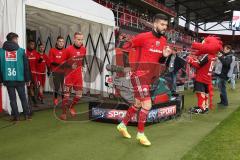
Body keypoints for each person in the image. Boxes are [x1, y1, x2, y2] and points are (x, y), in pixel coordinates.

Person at [116, 13, 173, 146]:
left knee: (138, 104)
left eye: (166, 25)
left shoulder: (164, 41)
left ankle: (122, 125)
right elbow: (124, 47)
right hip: (138, 75)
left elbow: (160, 60)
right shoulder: (143, 37)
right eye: (162, 24)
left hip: (150, 76)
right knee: (147, 105)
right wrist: (128, 66)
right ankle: (140, 134)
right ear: (155, 24)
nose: (164, 27)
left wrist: (164, 56)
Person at [0, 32, 31, 121]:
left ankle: (16, 117)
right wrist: (28, 79)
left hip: (8, 79)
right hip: (19, 79)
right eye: (16, 39)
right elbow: (26, 66)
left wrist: (1, 80)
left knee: (12, 99)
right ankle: (26, 116)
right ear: (13, 39)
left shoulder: (1, 52)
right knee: (23, 98)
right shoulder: (21, 51)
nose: (17, 41)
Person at [188, 36, 222, 114]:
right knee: (205, 93)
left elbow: (198, 65)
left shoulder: (207, 55)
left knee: (200, 92)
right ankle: (205, 106)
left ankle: (201, 108)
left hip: (201, 77)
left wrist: (191, 61)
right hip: (207, 78)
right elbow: (203, 64)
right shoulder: (213, 56)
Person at [60, 32, 86, 120]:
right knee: (66, 96)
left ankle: (71, 107)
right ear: (74, 39)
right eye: (78, 39)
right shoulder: (68, 49)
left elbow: (82, 60)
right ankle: (63, 113)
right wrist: (70, 66)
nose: (80, 41)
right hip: (69, 76)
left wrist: (82, 66)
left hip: (78, 76)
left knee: (79, 95)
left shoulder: (83, 49)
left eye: (82, 39)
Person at [49, 36, 67, 106]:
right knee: (57, 87)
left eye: (62, 41)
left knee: (63, 87)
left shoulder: (66, 51)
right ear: (57, 42)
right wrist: (60, 64)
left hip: (63, 72)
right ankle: (56, 98)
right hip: (55, 71)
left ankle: (63, 100)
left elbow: (68, 60)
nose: (61, 43)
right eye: (60, 41)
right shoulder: (52, 50)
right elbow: (51, 61)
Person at [26, 40, 38, 105]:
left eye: (33, 44)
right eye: (31, 44)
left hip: (34, 74)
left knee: (33, 86)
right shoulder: (25, 52)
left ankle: (32, 100)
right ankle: (33, 101)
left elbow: (37, 63)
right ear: (28, 44)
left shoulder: (35, 52)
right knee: (29, 87)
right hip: (28, 73)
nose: (32, 45)